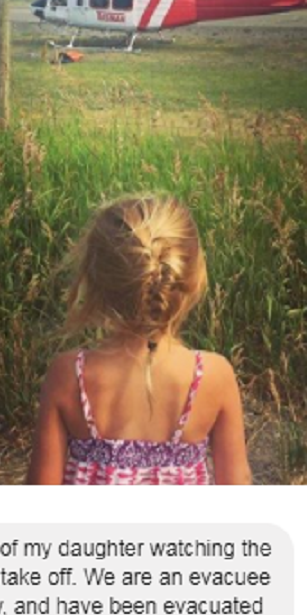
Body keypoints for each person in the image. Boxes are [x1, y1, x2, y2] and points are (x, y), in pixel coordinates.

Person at [27, 194, 251, 485]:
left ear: (95, 280)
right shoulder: (214, 376)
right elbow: (236, 488)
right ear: (193, 278)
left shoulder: (69, 375)